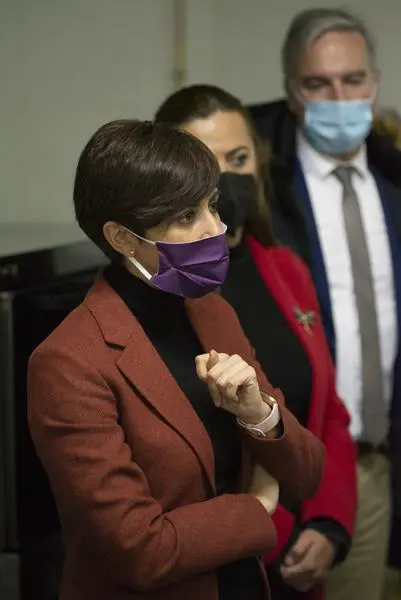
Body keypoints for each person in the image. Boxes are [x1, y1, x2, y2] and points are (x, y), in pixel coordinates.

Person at [27, 119, 324, 600]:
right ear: (123, 238)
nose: (216, 229)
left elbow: (307, 471)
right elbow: (141, 551)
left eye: (212, 205)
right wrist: (257, 505)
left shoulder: (213, 311)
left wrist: (260, 415)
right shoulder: (68, 362)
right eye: (187, 217)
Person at [155, 84, 357, 600]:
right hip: (227, 564)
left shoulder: (284, 268)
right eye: (204, 162)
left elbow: (327, 410)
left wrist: (328, 522)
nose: (224, 179)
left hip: (309, 553)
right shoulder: (168, 293)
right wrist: (278, 534)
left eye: (238, 158)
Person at [246, 8, 401, 600]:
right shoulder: (263, 196)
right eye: (319, 84)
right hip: (290, 466)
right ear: (292, 93)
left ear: (375, 84)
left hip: (376, 465)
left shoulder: (394, 185)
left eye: (353, 80)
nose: (340, 99)